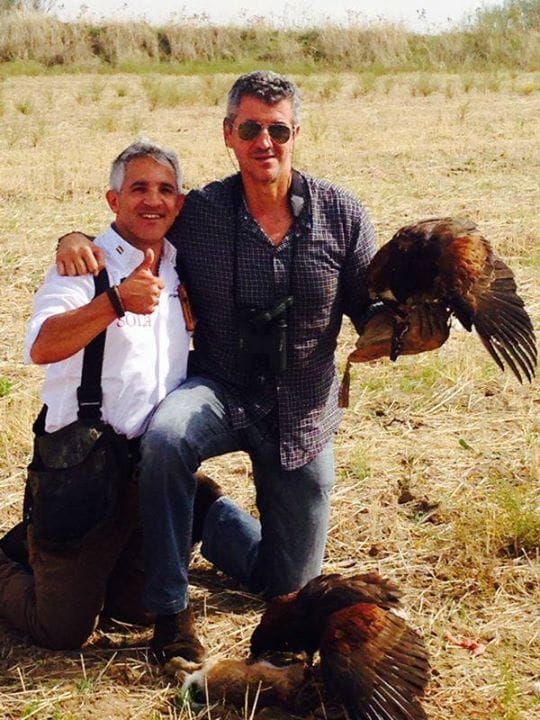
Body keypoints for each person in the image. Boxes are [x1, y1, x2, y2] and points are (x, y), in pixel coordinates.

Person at [55, 71, 378, 665]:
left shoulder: (342, 213)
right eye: (250, 127)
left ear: (295, 134)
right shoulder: (200, 211)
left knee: (286, 587)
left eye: (277, 129)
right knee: (167, 436)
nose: (265, 142)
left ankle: (210, 514)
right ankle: (170, 616)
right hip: (220, 390)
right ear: (229, 134)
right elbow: (134, 219)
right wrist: (74, 236)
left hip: (301, 412)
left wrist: (410, 324)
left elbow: (372, 312)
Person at [0, 140, 219, 652]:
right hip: (83, 472)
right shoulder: (84, 264)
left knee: (139, 611)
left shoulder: (182, 267)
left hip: (148, 476)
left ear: (179, 204)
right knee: (63, 630)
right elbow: (42, 345)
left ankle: (183, 513)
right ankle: (23, 550)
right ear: (112, 199)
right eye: (138, 188)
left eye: (165, 190)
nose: (152, 200)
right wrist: (114, 301)